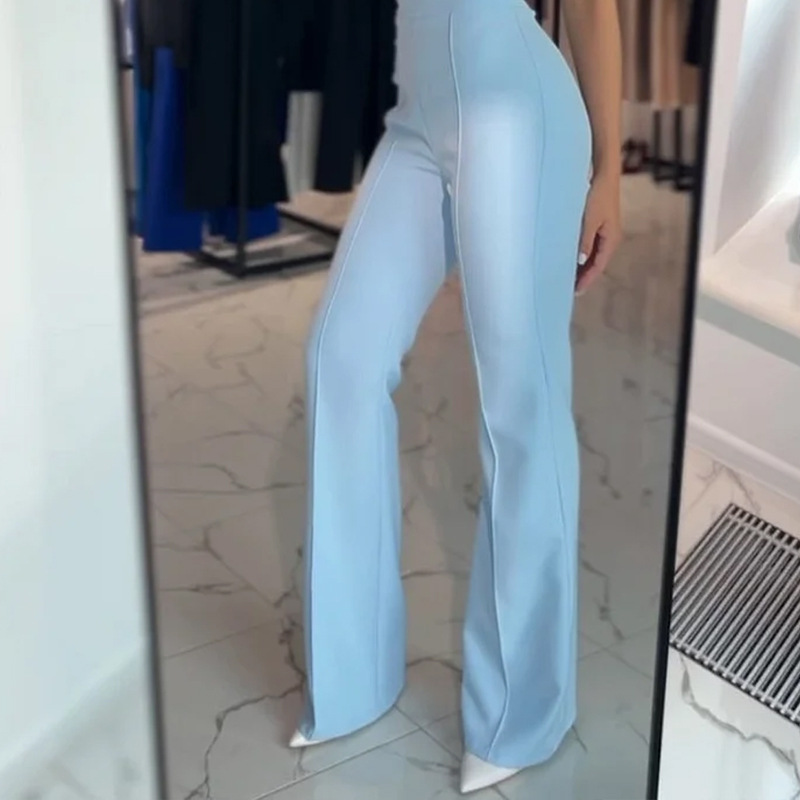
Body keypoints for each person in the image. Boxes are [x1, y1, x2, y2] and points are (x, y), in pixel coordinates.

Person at [291, 0, 623, 793]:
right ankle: (354, 673)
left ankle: (524, 713)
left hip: (513, 100)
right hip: (418, 110)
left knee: (520, 398)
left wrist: (610, 170)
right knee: (342, 358)